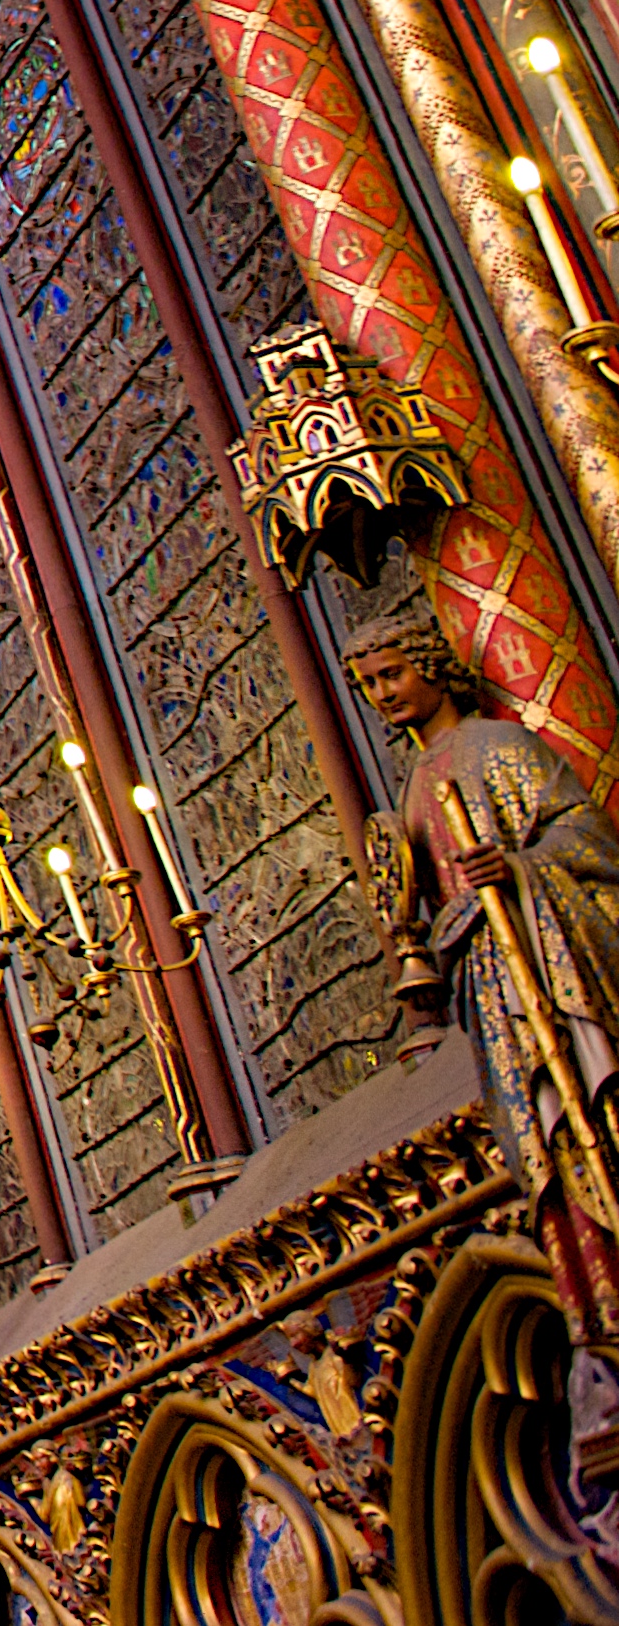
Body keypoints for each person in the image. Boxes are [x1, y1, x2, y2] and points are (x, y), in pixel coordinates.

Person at [360, 593, 619, 1462]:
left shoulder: (496, 747)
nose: (384, 695)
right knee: (544, 1156)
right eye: (368, 685)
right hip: (493, 991)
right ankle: (596, 1317)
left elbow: (587, 838)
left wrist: (520, 868)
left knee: (581, 1118)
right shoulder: (412, 783)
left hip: (549, 969)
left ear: (432, 665)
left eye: (392, 674)